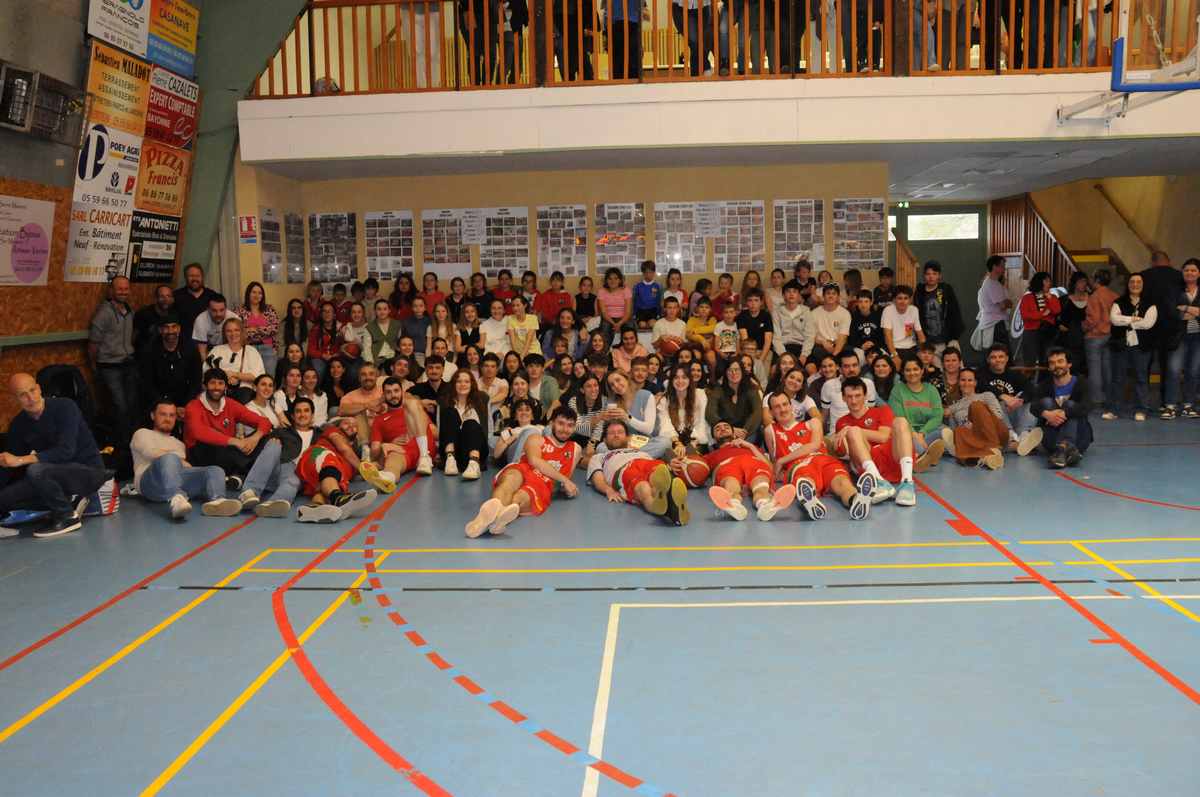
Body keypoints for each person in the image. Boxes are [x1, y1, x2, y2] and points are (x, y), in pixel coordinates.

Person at [0, 374, 109, 538]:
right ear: (15, 399)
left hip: (87, 471)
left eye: (32, 390)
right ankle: (69, 501)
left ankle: (67, 517)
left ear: (39, 388)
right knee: (4, 498)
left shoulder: (65, 406)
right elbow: (8, 466)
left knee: (35, 470)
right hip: (52, 476)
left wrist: (21, 460)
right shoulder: (18, 424)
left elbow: (65, 451)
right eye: (23, 395)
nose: (30, 398)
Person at [465, 406, 581, 537]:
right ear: (551, 423)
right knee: (510, 480)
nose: (565, 429)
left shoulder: (575, 449)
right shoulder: (536, 438)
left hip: (542, 484)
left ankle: (488, 521)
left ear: (574, 428)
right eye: (561, 423)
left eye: (570, 425)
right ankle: (492, 520)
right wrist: (565, 481)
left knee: (519, 498)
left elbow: (564, 481)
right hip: (523, 469)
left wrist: (567, 488)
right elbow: (534, 461)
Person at [763, 391, 874, 521]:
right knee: (805, 481)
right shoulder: (770, 431)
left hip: (823, 459)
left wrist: (782, 460)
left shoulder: (813, 422)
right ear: (771, 412)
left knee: (841, 482)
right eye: (777, 407)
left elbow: (815, 445)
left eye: (785, 404)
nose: (782, 409)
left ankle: (856, 500)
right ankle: (811, 501)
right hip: (799, 465)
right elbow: (775, 462)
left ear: (791, 405)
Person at [132, 400, 242, 519]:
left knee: (215, 470)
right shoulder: (142, 433)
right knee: (170, 458)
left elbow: (184, 468)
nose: (168, 419)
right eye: (163, 414)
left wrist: (192, 470)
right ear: (153, 416)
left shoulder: (179, 444)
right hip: (149, 484)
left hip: (175, 480)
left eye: (171, 415)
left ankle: (218, 501)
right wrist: (178, 460)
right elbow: (151, 453)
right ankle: (177, 499)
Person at [832, 377, 917, 507]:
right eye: (849, 396)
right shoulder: (841, 422)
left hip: (892, 461)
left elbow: (883, 437)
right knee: (853, 431)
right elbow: (846, 453)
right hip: (868, 466)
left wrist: (853, 429)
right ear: (843, 398)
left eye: (857, 396)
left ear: (865, 395)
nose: (853, 401)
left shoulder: (882, 410)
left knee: (901, 421)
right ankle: (877, 481)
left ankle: (907, 482)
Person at [183, 368, 274, 485]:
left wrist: (254, 438)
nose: (216, 387)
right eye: (212, 383)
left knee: (268, 438)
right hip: (201, 455)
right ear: (204, 386)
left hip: (227, 454)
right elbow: (198, 432)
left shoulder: (230, 404)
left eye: (220, 383)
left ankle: (237, 475)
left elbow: (265, 422)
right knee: (216, 443)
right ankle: (244, 473)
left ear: (226, 387)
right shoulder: (193, 406)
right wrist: (234, 441)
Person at [587, 420, 687, 525]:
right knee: (643, 487)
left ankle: (669, 502)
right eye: (612, 433)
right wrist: (608, 490)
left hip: (646, 462)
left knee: (657, 475)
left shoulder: (641, 451)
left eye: (620, 432)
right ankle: (669, 510)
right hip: (623, 469)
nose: (616, 435)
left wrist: (670, 466)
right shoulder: (599, 457)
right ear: (604, 440)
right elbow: (597, 477)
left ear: (627, 437)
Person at [702, 420, 795, 522]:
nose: (723, 429)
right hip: (727, 465)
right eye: (717, 429)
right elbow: (695, 472)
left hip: (752, 461)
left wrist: (750, 446)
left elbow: (770, 468)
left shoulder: (750, 447)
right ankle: (734, 504)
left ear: (734, 434)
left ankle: (764, 504)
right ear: (713, 438)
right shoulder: (710, 456)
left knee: (760, 483)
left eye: (726, 427)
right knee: (730, 482)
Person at [293, 415, 378, 523]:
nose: (350, 426)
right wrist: (364, 469)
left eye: (355, 426)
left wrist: (376, 470)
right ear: (338, 426)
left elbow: (362, 464)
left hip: (324, 476)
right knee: (330, 466)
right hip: (317, 455)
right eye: (346, 423)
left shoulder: (354, 458)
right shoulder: (333, 431)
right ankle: (339, 499)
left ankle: (314, 508)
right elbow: (344, 449)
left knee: (332, 485)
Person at [89, 275, 139, 449]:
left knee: (132, 404)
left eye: (126, 289)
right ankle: (122, 444)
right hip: (110, 366)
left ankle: (134, 441)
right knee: (120, 405)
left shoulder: (130, 311)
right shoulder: (103, 313)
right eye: (119, 289)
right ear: (111, 290)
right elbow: (93, 344)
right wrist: (94, 365)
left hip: (128, 363)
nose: (123, 292)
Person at [368, 376, 437, 486]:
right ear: (383, 396)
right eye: (388, 392)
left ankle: (424, 457)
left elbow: (435, 433)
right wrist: (386, 445)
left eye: (396, 391)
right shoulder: (379, 419)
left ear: (402, 392)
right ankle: (388, 478)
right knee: (392, 458)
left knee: (412, 404)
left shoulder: (414, 408)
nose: (393, 395)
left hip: (424, 446)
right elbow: (374, 451)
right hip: (402, 451)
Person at [1107, 273, 1158, 422]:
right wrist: (1134, 319)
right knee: (1117, 378)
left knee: (1141, 378)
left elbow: (1148, 324)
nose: (1135, 284)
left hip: (1142, 347)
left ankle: (1141, 409)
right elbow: (1114, 320)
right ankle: (1114, 409)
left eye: (1138, 282)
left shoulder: (1151, 303)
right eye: (1132, 281)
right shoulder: (1118, 302)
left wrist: (1125, 320)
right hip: (1121, 345)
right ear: (1128, 284)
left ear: (1143, 284)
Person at [1032, 348, 1093, 469]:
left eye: (1060, 361)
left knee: (1070, 405)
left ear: (1069, 364)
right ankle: (1068, 451)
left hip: (1079, 436)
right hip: (1051, 436)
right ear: (1049, 367)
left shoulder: (1081, 382)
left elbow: (1087, 406)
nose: (1056, 365)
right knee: (1046, 402)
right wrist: (1047, 415)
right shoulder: (1044, 385)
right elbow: (1033, 407)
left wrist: (1064, 413)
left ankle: (1062, 449)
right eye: (1052, 363)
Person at [940, 367, 1012, 470]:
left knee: (976, 406)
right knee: (959, 431)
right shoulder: (954, 407)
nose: (966, 383)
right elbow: (942, 414)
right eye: (963, 380)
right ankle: (982, 458)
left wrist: (976, 423)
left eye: (970, 380)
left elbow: (998, 416)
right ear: (959, 382)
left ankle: (992, 448)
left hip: (997, 434)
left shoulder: (986, 395)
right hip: (975, 439)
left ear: (975, 383)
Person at [979, 343, 1043, 455]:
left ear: (1007, 358)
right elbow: (982, 387)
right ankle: (1011, 437)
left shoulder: (1013, 374)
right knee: (996, 402)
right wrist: (1003, 396)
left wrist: (1019, 401)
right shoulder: (981, 374)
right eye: (993, 357)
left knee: (1029, 402)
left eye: (1001, 356)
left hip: (1013, 413)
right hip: (998, 421)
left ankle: (1023, 436)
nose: (998, 360)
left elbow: (1031, 389)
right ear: (988, 360)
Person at [888, 358, 946, 471]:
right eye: (908, 370)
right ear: (903, 372)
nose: (912, 373)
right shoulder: (898, 390)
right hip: (907, 431)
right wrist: (915, 434)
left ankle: (923, 455)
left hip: (927, 431)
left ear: (922, 370)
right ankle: (923, 455)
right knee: (907, 439)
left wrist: (922, 433)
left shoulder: (931, 389)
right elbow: (899, 417)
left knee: (944, 432)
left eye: (915, 369)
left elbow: (937, 415)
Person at [138, 313, 200, 417]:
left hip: (184, 401)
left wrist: (186, 404)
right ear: (160, 330)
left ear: (179, 329)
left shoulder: (190, 348)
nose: (170, 331)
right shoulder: (150, 351)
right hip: (158, 401)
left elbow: (196, 380)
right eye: (166, 327)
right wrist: (165, 405)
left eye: (174, 327)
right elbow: (147, 383)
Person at [1165, 259, 1200, 418]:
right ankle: (1170, 406)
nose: (1189, 273)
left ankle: (1188, 405)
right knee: (1174, 370)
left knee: (1193, 371)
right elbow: (1170, 311)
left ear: (1199, 273)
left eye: (1193, 270)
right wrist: (1194, 311)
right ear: (1182, 272)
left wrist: (1185, 307)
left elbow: (1180, 310)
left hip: (1198, 337)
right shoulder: (1174, 290)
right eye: (1186, 270)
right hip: (1179, 337)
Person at [439, 370, 489, 479]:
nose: (463, 384)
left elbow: (486, 430)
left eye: (466, 381)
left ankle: (474, 464)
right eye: (459, 381)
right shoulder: (445, 402)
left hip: (476, 448)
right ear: (454, 384)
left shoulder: (481, 400)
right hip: (455, 451)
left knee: (470, 423)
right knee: (450, 412)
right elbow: (441, 431)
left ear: (472, 384)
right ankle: (450, 459)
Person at [207, 317, 266, 403]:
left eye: (236, 330)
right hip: (220, 391)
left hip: (245, 394)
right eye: (229, 331)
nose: (233, 334)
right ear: (224, 333)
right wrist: (225, 378)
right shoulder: (217, 350)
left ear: (242, 332)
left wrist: (235, 375)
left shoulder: (251, 351)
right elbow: (207, 373)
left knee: (244, 393)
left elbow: (257, 378)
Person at [913, 261, 964, 358]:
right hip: (928, 343)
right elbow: (917, 316)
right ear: (924, 276)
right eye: (928, 274)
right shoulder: (919, 291)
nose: (931, 277)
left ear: (939, 276)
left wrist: (954, 337)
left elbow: (955, 312)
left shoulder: (946, 289)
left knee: (953, 365)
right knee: (934, 367)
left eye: (934, 274)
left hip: (948, 339)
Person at [1084, 268, 1118, 413]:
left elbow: (1093, 319)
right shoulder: (1114, 295)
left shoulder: (1094, 296)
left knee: (1095, 371)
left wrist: (1084, 327)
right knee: (1108, 369)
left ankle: (1097, 401)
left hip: (1095, 336)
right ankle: (1110, 399)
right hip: (1110, 335)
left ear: (1097, 280)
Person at [820, 350, 879, 431]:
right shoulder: (829, 385)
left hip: (863, 433)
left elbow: (870, 413)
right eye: (846, 366)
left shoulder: (868, 384)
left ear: (859, 367)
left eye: (855, 365)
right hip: (838, 433)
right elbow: (824, 416)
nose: (851, 369)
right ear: (839, 369)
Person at [706, 359, 764, 441]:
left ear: (742, 371)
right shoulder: (718, 391)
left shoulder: (751, 389)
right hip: (726, 432)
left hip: (747, 431)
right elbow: (710, 414)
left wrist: (744, 432)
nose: (734, 373)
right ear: (725, 373)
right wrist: (731, 429)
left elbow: (757, 413)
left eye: (737, 369)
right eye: (730, 370)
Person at [658, 365, 711, 451]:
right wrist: (677, 443)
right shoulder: (665, 400)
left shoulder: (700, 395)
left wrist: (693, 443)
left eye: (684, 377)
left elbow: (701, 422)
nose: (680, 381)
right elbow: (665, 425)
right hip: (673, 441)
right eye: (676, 378)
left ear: (690, 380)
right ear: (671, 380)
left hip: (696, 441)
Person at [1018, 271, 1061, 367]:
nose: (1049, 283)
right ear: (1039, 282)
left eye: (1049, 281)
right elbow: (1025, 315)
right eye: (1046, 281)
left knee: (1047, 360)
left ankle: (1045, 376)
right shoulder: (1027, 298)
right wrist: (1043, 314)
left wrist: (1050, 298)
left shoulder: (1052, 297)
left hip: (1047, 332)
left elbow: (1057, 310)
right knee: (1029, 361)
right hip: (1031, 331)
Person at [238, 281, 280, 379]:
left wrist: (254, 329)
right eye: (254, 292)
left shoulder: (269, 309)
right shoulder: (240, 310)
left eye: (260, 293)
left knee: (268, 378)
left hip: (268, 348)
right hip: (248, 348)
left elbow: (274, 328)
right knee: (252, 378)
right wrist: (264, 330)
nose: (257, 295)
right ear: (248, 294)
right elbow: (239, 331)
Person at [337, 362, 385, 441]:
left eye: (371, 374)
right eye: (363, 375)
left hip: (383, 434)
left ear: (377, 376)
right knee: (359, 415)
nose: (367, 377)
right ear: (359, 378)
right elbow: (341, 410)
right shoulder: (350, 396)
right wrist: (368, 405)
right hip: (360, 437)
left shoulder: (385, 392)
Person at [173, 263, 220, 343]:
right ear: (185, 277)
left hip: (209, 341)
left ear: (202, 277)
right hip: (184, 342)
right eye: (191, 276)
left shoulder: (212, 295)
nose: (194, 279)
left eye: (197, 276)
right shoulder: (176, 296)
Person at [771, 280, 815, 365]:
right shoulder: (776, 312)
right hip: (783, 347)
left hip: (801, 346)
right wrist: (783, 355)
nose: (791, 294)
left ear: (799, 295)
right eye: (788, 291)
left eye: (794, 292)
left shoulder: (806, 311)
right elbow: (776, 337)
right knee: (774, 370)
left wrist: (804, 355)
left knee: (811, 368)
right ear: (783, 295)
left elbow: (810, 336)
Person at [603, 369, 657, 435]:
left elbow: (649, 429)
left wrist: (627, 417)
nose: (616, 385)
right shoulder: (611, 402)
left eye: (618, 380)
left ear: (627, 378)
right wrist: (605, 420)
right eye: (612, 385)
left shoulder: (646, 396)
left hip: (644, 440)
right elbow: (609, 429)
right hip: (621, 439)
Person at [881, 286, 925, 367]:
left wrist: (924, 352)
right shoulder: (888, 310)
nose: (903, 301)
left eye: (906, 298)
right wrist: (894, 355)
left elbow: (920, 333)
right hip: (894, 348)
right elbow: (887, 336)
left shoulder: (914, 310)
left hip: (911, 347)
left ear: (910, 300)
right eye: (900, 298)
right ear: (894, 300)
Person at [975, 255, 1013, 350]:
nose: (1004, 268)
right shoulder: (991, 283)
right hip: (995, 324)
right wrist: (1007, 302)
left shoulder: (995, 283)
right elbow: (1003, 305)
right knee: (1001, 353)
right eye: (1002, 266)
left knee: (1001, 353)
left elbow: (1008, 303)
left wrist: (1007, 302)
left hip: (996, 323)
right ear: (994, 267)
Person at [808, 282, 850, 365]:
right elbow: (811, 336)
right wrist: (823, 342)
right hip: (820, 346)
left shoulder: (845, 313)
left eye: (834, 294)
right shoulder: (813, 313)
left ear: (838, 297)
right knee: (816, 351)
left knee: (848, 352)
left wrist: (833, 356)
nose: (831, 296)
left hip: (838, 345)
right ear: (823, 296)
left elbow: (842, 338)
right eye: (828, 293)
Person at [1057, 272, 1090, 374]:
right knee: (1072, 367)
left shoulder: (1092, 298)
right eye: (1081, 281)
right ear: (1074, 283)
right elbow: (1057, 318)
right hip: (1069, 340)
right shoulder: (1064, 300)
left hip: (1088, 338)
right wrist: (1060, 325)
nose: (1084, 284)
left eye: (1085, 281)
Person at [133, 284, 175, 354]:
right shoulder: (143, 314)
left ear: (172, 299)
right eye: (162, 296)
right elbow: (134, 338)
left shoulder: (174, 315)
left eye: (168, 296)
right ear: (156, 298)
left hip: (165, 354)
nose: (165, 299)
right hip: (145, 354)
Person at [307, 301, 343, 378]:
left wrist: (337, 354)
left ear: (334, 314)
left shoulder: (341, 328)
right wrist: (322, 355)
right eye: (324, 311)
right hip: (320, 358)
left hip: (337, 357)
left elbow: (344, 346)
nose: (327, 313)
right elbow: (310, 350)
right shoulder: (315, 329)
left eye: (329, 311)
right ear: (321, 314)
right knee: (319, 369)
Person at [191, 293, 229, 362]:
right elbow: (202, 353)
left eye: (221, 310)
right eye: (214, 310)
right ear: (208, 309)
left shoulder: (233, 318)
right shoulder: (200, 320)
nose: (218, 314)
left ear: (226, 309)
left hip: (228, 349)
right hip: (208, 350)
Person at [597, 268, 633, 340]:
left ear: (620, 280)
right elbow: (603, 312)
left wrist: (620, 323)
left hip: (624, 318)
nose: (613, 281)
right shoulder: (601, 291)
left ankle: (627, 346)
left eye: (616, 278)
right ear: (606, 280)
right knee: (605, 328)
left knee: (629, 328)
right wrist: (614, 324)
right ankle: (605, 347)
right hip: (608, 318)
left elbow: (628, 312)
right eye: (610, 279)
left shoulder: (626, 290)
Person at [341, 302, 373, 366]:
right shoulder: (345, 328)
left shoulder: (370, 328)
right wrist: (345, 347)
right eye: (353, 312)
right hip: (347, 358)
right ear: (350, 314)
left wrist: (358, 344)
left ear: (363, 313)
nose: (356, 315)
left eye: (359, 312)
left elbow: (372, 349)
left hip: (365, 358)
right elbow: (341, 347)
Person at [632, 260, 662, 329]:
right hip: (641, 311)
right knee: (642, 325)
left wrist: (659, 314)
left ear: (654, 272)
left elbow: (659, 301)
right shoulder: (637, 286)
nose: (648, 275)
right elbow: (634, 301)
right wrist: (634, 314)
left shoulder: (657, 286)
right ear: (643, 273)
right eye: (646, 272)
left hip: (653, 311)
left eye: (650, 272)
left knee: (652, 324)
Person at [280, 298, 309, 362]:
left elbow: (306, 345)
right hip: (287, 357)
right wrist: (287, 357)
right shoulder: (283, 325)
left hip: (303, 357)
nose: (296, 310)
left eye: (299, 308)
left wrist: (300, 357)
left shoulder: (309, 325)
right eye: (293, 308)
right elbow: (281, 345)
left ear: (303, 310)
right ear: (290, 311)